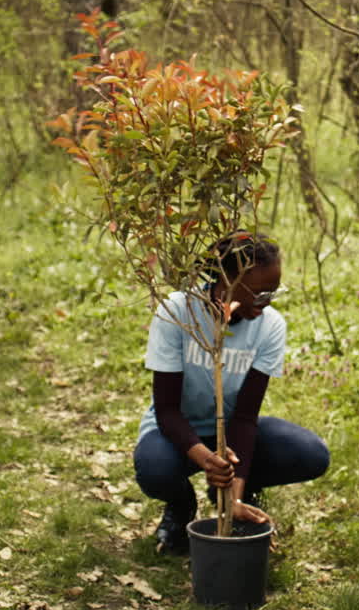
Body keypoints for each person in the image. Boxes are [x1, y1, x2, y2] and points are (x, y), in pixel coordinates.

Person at [133, 232, 330, 555]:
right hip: (176, 432)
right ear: (226, 279)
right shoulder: (178, 313)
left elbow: (245, 416)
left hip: (233, 432)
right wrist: (206, 459)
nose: (267, 301)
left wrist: (233, 494)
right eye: (259, 292)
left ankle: (235, 494)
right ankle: (181, 507)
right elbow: (167, 410)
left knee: (311, 454)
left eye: (273, 292)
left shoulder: (269, 326)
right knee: (155, 469)